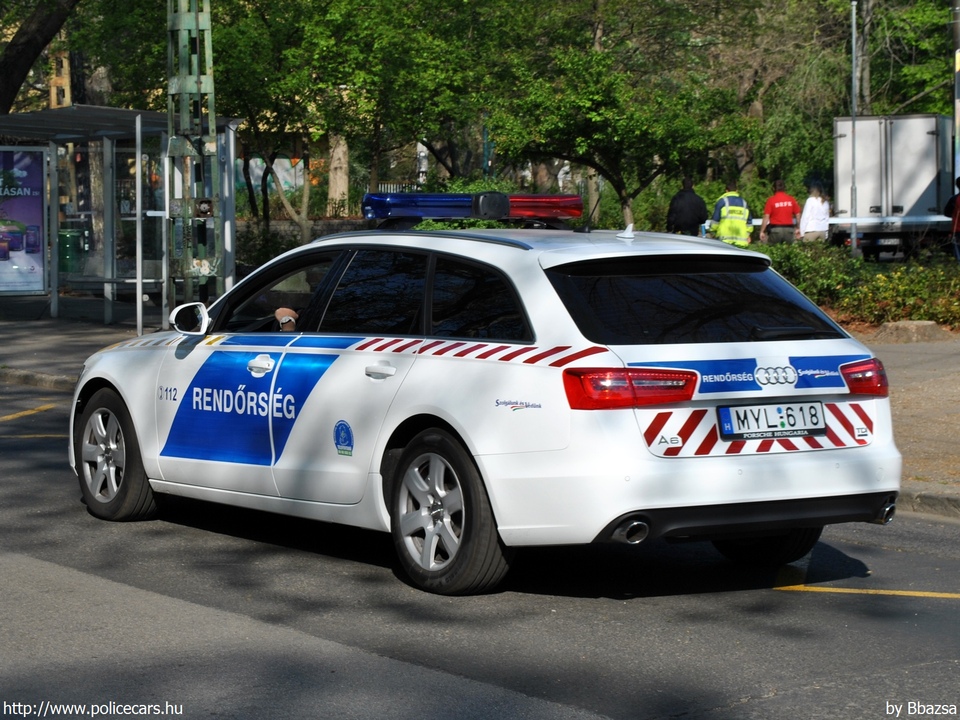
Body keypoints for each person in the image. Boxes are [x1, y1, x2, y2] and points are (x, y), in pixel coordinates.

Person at [707, 180, 753, 245]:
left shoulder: (722, 202)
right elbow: (749, 223)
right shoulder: (744, 203)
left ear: (726, 191)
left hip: (724, 240)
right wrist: (747, 234)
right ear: (737, 191)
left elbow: (715, 221)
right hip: (741, 241)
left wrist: (712, 230)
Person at [759, 179, 801, 244]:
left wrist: (762, 231)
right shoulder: (791, 199)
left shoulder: (771, 200)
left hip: (775, 230)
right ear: (784, 188)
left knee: (769, 246)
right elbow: (798, 214)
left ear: (773, 188)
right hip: (789, 230)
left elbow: (766, 217)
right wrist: (798, 227)